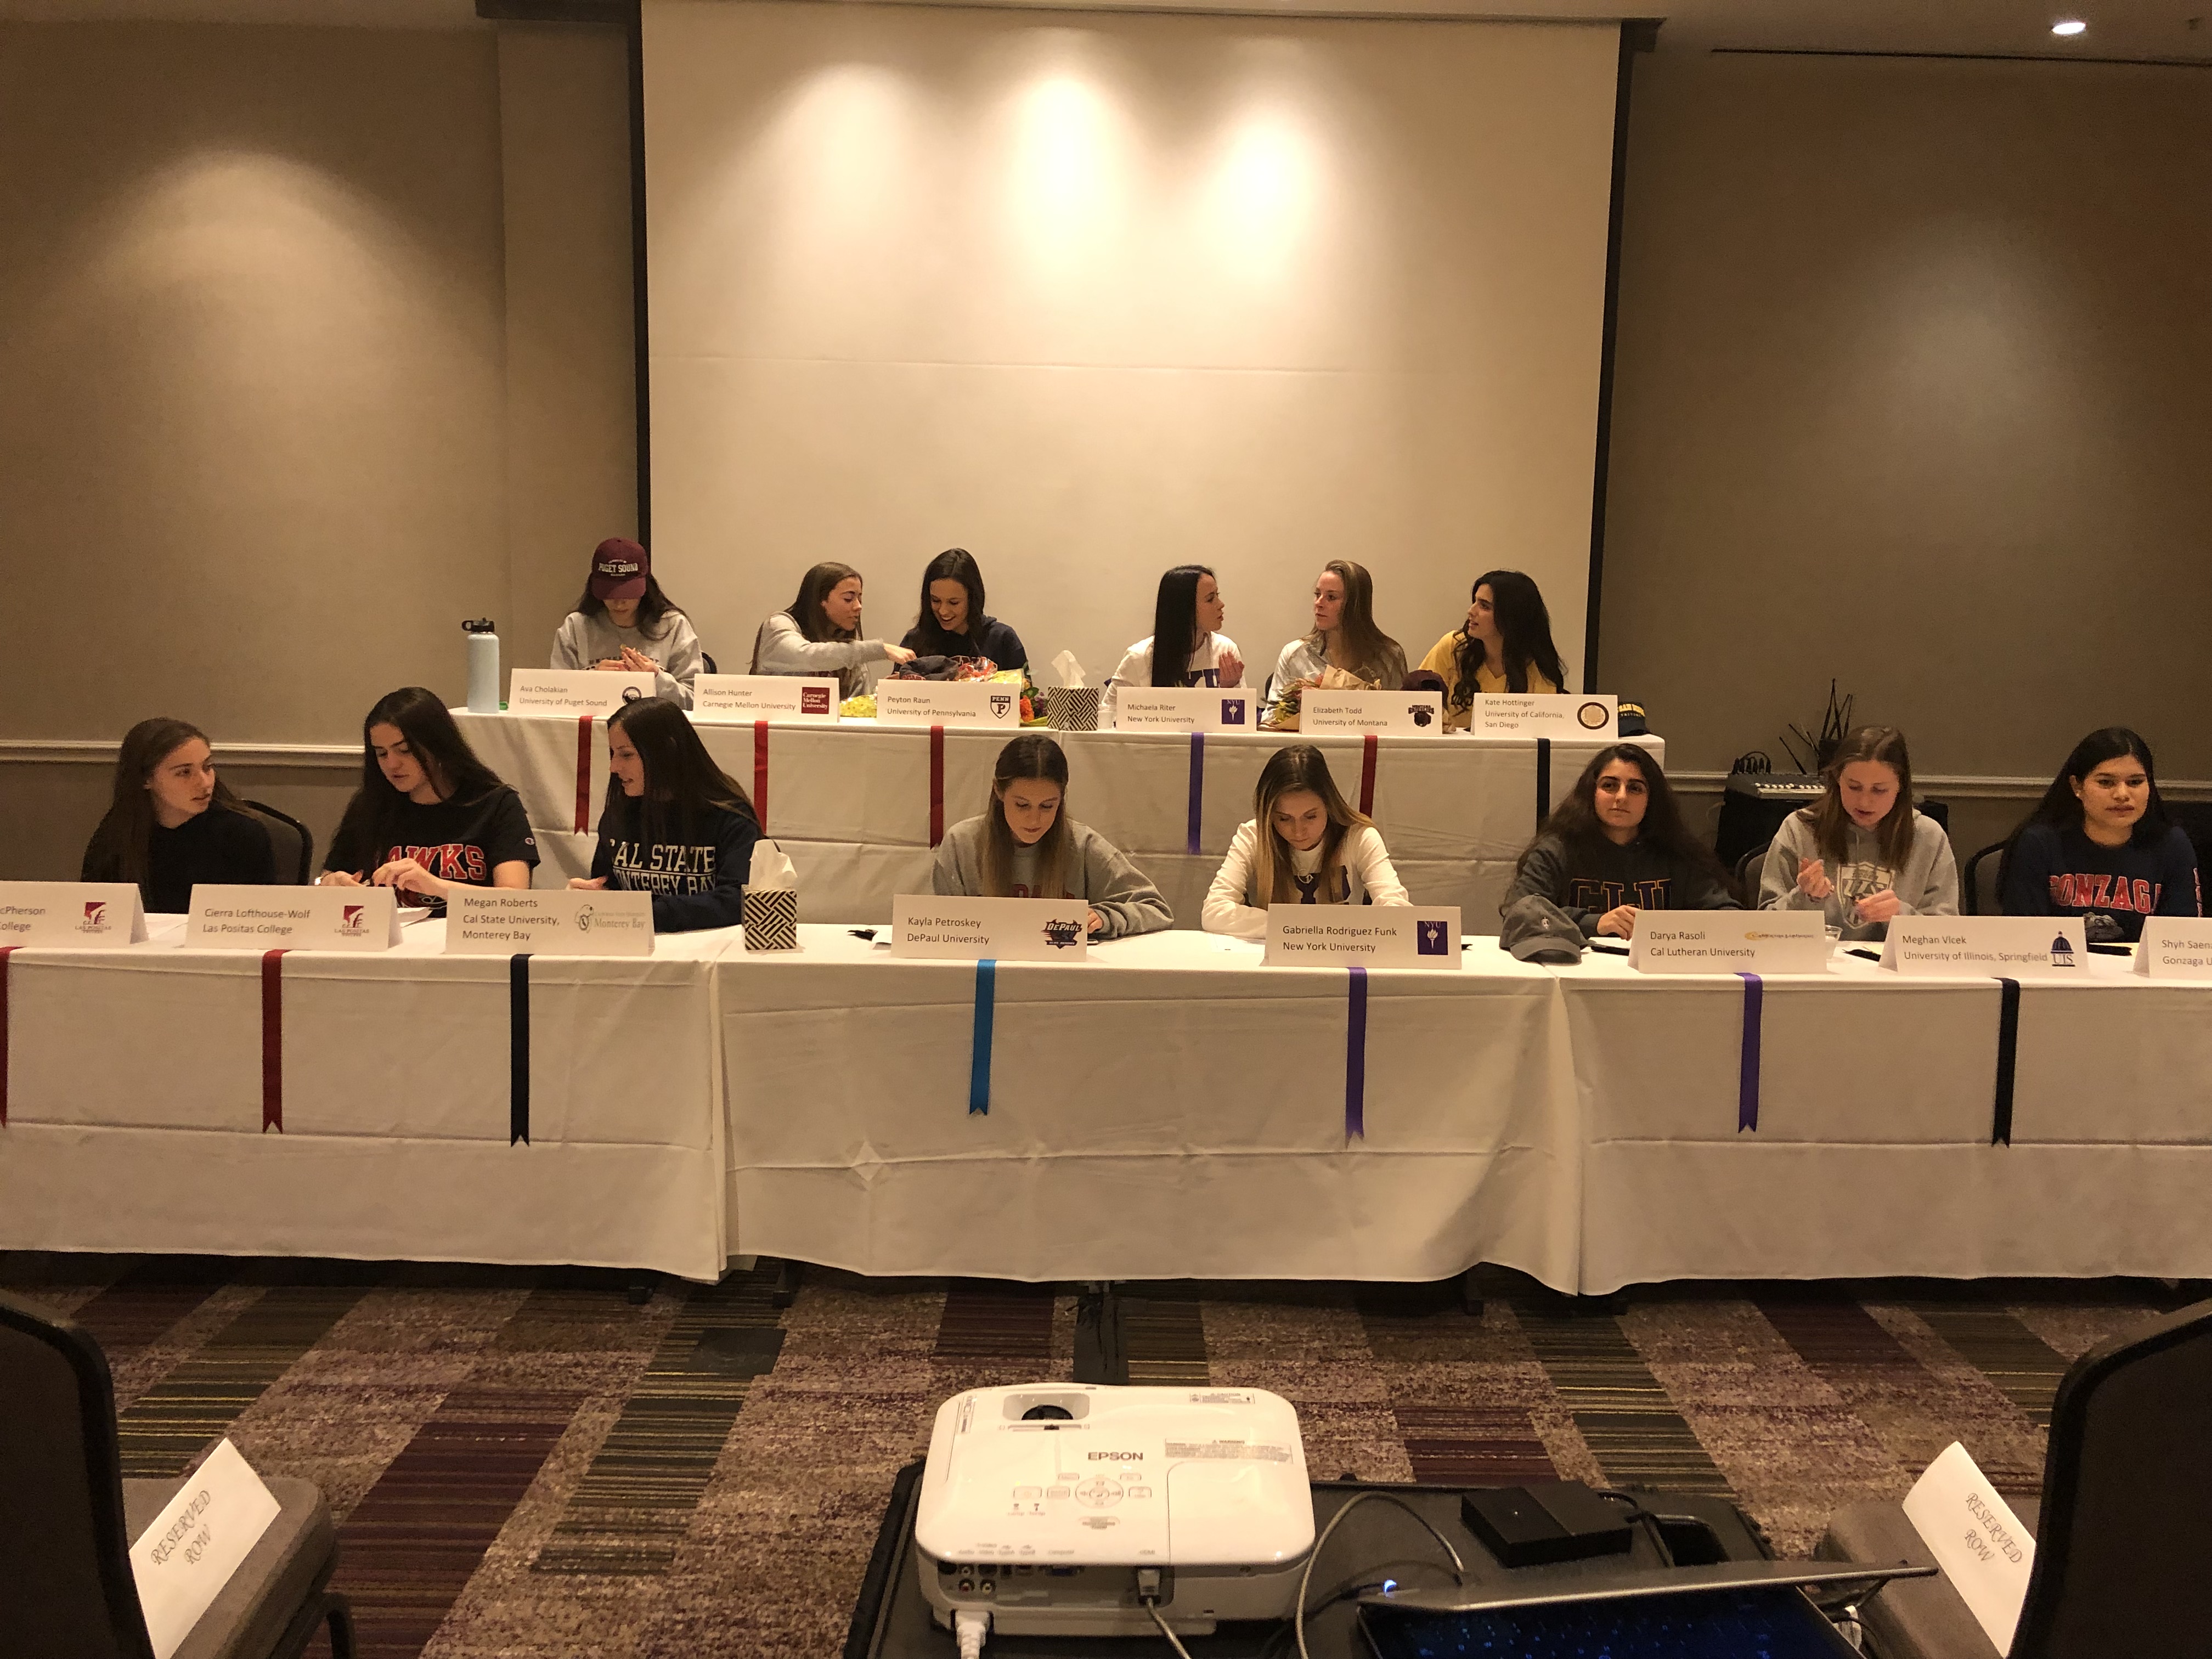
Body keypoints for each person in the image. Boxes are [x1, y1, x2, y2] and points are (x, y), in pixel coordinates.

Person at [932, 735, 1172, 939]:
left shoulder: (1083, 845)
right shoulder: (962, 844)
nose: (1034, 820)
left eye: (1047, 806)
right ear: (999, 791)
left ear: (1062, 797)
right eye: (1022, 805)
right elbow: (942, 928)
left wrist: (1105, 917)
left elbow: (1157, 909)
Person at [320, 687, 536, 911]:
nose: (392, 764)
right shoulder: (370, 804)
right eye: (382, 754)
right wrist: (329, 883)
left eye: (405, 750)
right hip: (390, 930)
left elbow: (516, 900)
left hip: (469, 930)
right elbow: (330, 875)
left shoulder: (495, 803)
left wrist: (437, 886)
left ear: (437, 746)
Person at [569, 696, 761, 933]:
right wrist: (590, 897)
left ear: (667, 750)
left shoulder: (728, 816)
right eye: (613, 754)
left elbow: (739, 900)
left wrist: (642, 913)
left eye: (626, 754)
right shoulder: (619, 812)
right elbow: (608, 886)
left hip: (708, 949)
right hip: (637, 946)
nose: (614, 767)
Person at [1506, 744, 1739, 938]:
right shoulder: (1556, 850)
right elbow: (1521, 913)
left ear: (1651, 799)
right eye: (1609, 785)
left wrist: (1671, 928)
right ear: (1592, 793)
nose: (1621, 797)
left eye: (1635, 788)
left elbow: (1728, 915)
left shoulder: (1678, 853)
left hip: (1656, 971)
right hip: (1577, 967)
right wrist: (1594, 923)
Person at [2001, 726, 2201, 943]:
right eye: (2106, 782)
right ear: (2077, 786)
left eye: (2135, 782)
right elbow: (2024, 940)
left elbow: (2182, 942)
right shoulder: (2039, 843)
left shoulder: (2172, 844)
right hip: (2061, 962)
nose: (2122, 794)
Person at [1759, 726, 1957, 940]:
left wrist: (1902, 915)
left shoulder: (1928, 837)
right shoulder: (1800, 829)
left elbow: (1947, 937)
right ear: (1837, 780)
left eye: (1879, 790)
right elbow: (1763, 930)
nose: (1864, 802)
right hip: (1817, 959)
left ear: (1900, 787)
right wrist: (1802, 896)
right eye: (1854, 787)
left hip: (1892, 961)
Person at [1203, 743, 1409, 939]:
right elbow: (1214, 911)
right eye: (1284, 819)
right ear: (1269, 815)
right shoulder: (1254, 836)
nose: (1298, 831)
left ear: (1329, 805)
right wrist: (1303, 928)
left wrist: (1300, 927)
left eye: (1311, 817)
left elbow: (1398, 911)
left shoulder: (1359, 836)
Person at [81, 718, 277, 912]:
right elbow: (96, 913)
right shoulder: (120, 831)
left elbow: (256, 918)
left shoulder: (241, 834)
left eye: (207, 767)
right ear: (146, 780)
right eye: (184, 772)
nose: (205, 782)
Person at [551, 538, 705, 708]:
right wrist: (591, 681)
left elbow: (695, 702)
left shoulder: (673, 625)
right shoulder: (576, 626)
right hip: (594, 722)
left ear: (645, 586)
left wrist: (657, 679)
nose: (619, 604)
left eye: (628, 593)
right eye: (610, 594)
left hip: (656, 723)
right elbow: (556, 698)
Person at [1419, 571, 1567, 731]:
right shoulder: (1454, 646)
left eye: (1484, 606)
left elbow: (1544, 731)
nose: (1471, 611)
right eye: (1475, 601)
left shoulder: (1538, 668)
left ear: (1510, 617)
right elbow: (1416, 697)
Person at [751, 561, 915, 699]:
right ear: (821, 600)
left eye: (860, 598)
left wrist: (886, 696)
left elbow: (855, 709)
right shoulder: (778, 624)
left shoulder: (852, 656)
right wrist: (880, 649)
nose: (858, 606)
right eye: (849, 599)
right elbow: (806, 655)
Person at [1104, 565, 1244, 719]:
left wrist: (1229, 690)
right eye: (1211, 599)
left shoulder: (1226, 650)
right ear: (1184, 609)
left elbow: (1240, 722)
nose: (1221, 604)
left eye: (1217, 595)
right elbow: (1108, 715)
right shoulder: (1139, 657)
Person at [1265, 560, 1408, 699]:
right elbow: (1272, 713)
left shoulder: (1388, 657)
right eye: (1317, 594)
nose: (1319, 603)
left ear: (1355, 605)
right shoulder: (1295, 655)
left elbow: (1402, 711)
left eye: (1331, 597)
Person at [899, 548, 1028, 669]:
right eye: (936, 601)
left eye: (953, 603)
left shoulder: (1002, 639)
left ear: (972, 599)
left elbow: (1024, 685)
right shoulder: (915, 641)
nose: (943, 611)